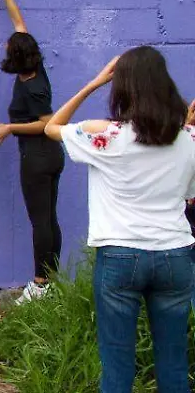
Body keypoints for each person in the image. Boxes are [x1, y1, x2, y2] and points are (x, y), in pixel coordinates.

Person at [44, 48, 195, 393]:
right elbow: (189, 193)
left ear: (123, 87)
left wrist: (94, 83)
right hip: (175, 254)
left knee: (117, 365)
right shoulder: (189, 139)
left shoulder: (106, 135)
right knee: (173, 363)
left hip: (121, 256)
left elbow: (53, 127)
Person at [0, 0, 65, 303]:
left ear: (15, 57)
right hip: (50, 157)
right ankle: (50, 282)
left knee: (40, 221)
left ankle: (40, 285)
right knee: (49, 218)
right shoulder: (35, 68)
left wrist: (9, 128)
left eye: (7, 47)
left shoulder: (34, 88)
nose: (4, 45)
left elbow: (46, 124)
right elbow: (19, 23)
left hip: (39, 157)